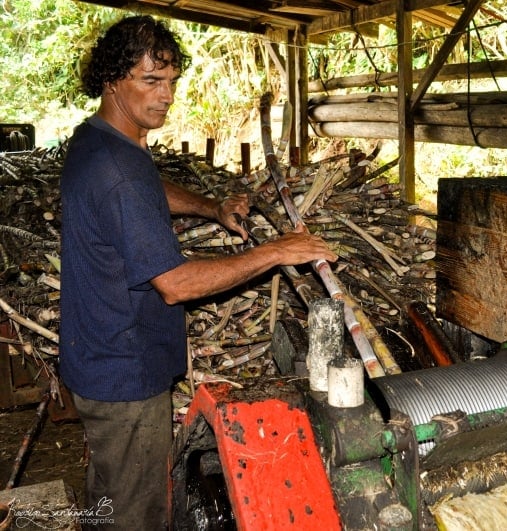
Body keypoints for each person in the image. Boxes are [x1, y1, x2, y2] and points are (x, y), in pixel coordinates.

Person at [59, 15, 337, 530]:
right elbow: (176, 284)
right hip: (124, 374)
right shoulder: (117, 170)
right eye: (150, 81)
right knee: (137, 513)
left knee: (108, 494)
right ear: (113, 80)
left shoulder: (101, 141)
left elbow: (148, 193)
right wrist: (276, 251)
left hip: (94, 355)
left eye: (170, 82)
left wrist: (210, 207)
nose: (165, 96)